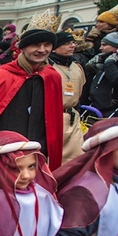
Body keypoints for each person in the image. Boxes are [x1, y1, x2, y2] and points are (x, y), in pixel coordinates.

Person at [0, 19, 64, 171]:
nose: (42, 50)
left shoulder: (52, 76)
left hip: (36, 152)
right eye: (36, 45)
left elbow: (53, 120)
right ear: (23, 47)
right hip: (1, 152)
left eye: (47, 45)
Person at [49, 31, 85, 164]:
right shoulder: (48, 67)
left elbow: (80, 90)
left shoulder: (77, 67)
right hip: (53, 116)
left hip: (72, 117)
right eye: (67, 43)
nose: (72, 46)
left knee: (75, 158)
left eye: (73, 43)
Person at [87, 32, 118, 117]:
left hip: (115, 108)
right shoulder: (100, 60)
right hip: (95, 106)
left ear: (116, 47)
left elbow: (117, 80)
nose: (100, 48)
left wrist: (109, 63)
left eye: (104, 45)